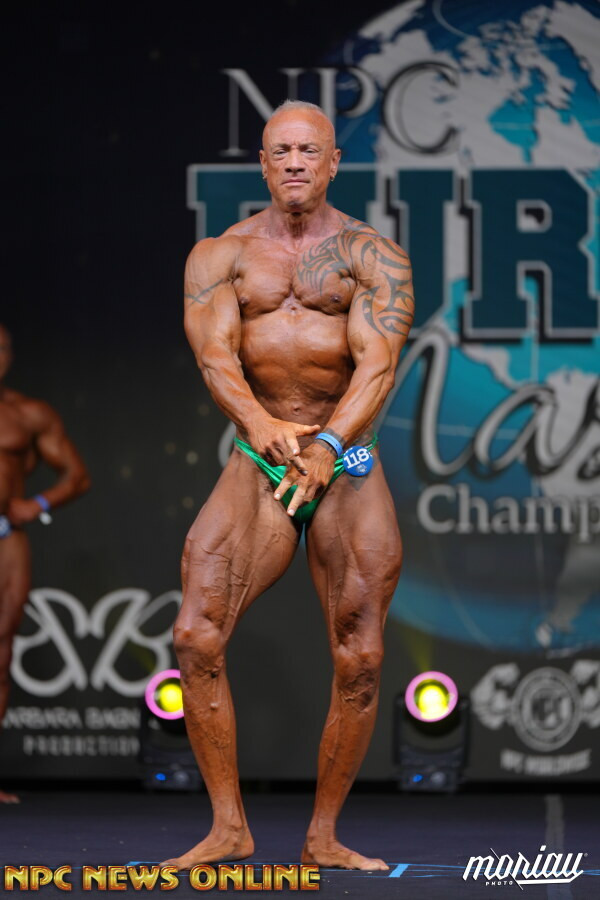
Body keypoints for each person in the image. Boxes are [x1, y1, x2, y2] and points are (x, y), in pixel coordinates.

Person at [166, 100, 414, 871]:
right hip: (261, 458)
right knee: (195, 634)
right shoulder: (221, 255)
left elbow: (378, 365)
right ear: (264, 164)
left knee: (360, 654)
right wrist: (261, 424)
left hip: (348, 461)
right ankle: (228, 828)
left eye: (310, 150)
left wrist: (330, 443)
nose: (296, 162)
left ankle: (323, 836)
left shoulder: (373, 256)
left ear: (335, 162)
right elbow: (215, 356)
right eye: (282, 151)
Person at [0, 324, 90, 802]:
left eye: (2, 347)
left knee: (0, 653)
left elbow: (76, 475)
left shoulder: (26, 414)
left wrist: (37, 504)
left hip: (4, 537)